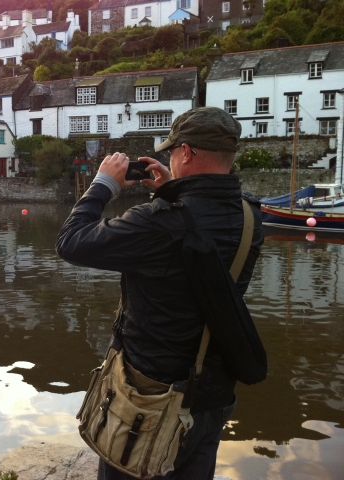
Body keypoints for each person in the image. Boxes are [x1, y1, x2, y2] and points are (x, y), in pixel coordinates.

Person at [56, 106, 264, 480]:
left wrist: (104, 184)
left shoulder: (156, 222)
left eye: (172, 151)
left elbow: (70, 242)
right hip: (212, 395)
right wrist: (173, 189)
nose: (170, 157)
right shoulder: (251, 215)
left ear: (187, 152)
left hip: (149, 400)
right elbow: (200, 254)